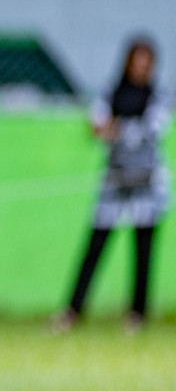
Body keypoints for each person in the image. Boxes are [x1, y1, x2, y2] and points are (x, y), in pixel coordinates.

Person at [54, 38, 167, 331]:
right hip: (115, 181)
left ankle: (137, 315)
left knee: (142, 251)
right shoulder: (112, 91)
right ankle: (73, 311)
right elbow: (96, 125)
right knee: (95, 246)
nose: (141, 67)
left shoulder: (157, 96)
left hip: (146, 184)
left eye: (146, 61)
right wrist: (112, 128)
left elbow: (149, 130)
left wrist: (116, 128)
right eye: (136, 60)